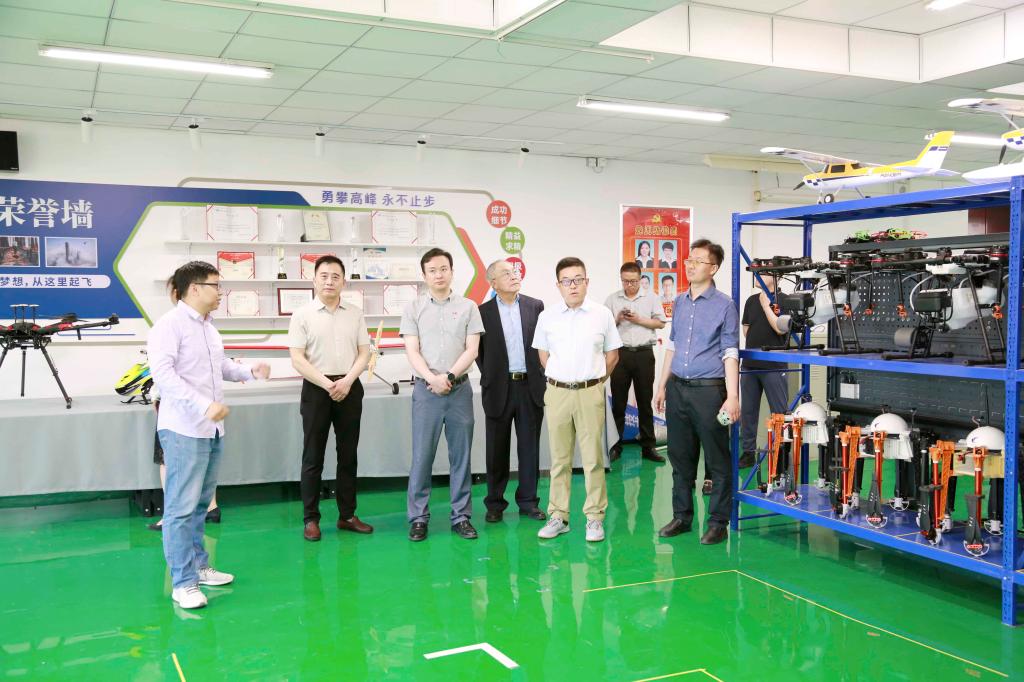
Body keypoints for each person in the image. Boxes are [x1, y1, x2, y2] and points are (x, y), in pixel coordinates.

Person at [148, 261, 270, 609]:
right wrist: (203, 405)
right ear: (194, 288)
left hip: (211, 428)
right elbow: (164, 376)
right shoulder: (169, 326)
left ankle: (200, 568)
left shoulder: (209, 328)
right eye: (216, 285)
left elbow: (220, 367)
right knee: (180, 509)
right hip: (184, 428)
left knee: (201, 504)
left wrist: (249, 371)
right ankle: (183, 583)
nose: (220, 292)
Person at [654, 239, 739, 546]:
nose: (690, 265)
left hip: (709, 391)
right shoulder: (679, 302)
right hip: (678, 388)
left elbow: (730, 351)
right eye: (689, 260)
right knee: (680, 457)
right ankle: (682, 516)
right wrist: (661, 385)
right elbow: (672, 345)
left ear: (713, 268)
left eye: (698, 261)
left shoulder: (725, 305)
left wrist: (732, 396)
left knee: (717, 460)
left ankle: (718, 523)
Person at [533, 257, 621, 543]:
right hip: (557, 392)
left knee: (593, 459)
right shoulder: (547, 317)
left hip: (590, 392)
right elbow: (543, 356)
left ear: (587, 282)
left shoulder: (602, 314)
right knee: (559, 459)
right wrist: (562, 378)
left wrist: (593, 382)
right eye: (567, 281)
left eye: (578, 279)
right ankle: (558, 516)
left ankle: (594, 517)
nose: (573, 285)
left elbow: (612, 355)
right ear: (558, 285)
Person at [401, 248, 484, 542]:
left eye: (444, 269)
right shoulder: (413, 308)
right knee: (422, 456)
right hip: (426, 391)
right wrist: (432, 378)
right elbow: (412, 350)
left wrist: (447, 377)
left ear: (451, 271)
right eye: (433, 270)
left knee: (461, 456)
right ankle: (418, 518)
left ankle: (461, 517)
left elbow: (472, 349)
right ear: (424, 275)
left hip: (459, 389)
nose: (439, 275)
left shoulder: (469, 307)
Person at [288, 255, 373, 542]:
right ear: (314, 280)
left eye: (335, 276)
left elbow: (364, 352)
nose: (329, 281)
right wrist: (328, 384)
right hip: (317, 389)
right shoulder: (302, 315)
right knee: (313, 456)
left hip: (350, 387)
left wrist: (347, 381)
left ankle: (347, 515)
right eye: (324, 276)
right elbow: (297, 359)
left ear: (343, 281)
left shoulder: (355, 313)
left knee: (348, 455)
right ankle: (311, 519)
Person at [476, 260, 547, 523]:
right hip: (498, 387)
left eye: (515, 271)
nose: (514, 275)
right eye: (506, 273)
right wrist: (492, 376)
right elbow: (479, 353)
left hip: (530, 386)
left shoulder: (535, 306)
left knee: (529, 448)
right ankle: (495, 503)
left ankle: (528, 502)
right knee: (496, 450)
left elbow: (543, 344)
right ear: (493, 283)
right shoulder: (481, 312)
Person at [605, 262, 665, 464]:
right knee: (618, 403)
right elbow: (604, 327)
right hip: (620, 354)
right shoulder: (612, 299)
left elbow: (660, 323)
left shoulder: (651, 298)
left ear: (640, 279)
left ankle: (648, 446)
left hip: (643, 354)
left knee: (644, 402)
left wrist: (639, 319)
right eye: (625, 281)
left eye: (633, 281)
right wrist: (617, 319)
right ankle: (615, 446)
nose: (629, 285)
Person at [740, 274, 789, 468]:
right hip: (750, 364)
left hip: (774, 366)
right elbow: (746, 329)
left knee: (779, 413)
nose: (757, 275)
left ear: (777, 276)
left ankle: (780, 455)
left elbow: (780, 329)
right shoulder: (751, 300)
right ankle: (748, 453)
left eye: (763, 272)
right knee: (748, 412)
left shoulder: (784, 300)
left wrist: (766, 305)